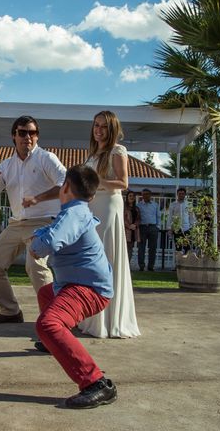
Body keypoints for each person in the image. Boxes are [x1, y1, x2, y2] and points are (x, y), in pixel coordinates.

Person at [30, 165, 117, 409]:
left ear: (65, 187)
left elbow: (51, 240)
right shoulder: (76, 211)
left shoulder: (74, 213)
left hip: (87, 288)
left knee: (48, 324)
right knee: (45, 293)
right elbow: (54, 231)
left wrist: (35, 246)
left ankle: (96, 383)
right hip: (80, 284)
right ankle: (55, 343)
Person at [0, 115, 66, 324]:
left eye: (32, 133)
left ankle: (54, 320)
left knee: (35, 266)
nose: (27, 136)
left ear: (37, 137)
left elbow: (66, 185)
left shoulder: (47, 158)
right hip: (16, 224)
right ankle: (10, 311)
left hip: (43, 223)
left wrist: (38, 198)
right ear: (14, 136)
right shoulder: (5, 166)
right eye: (22, 132)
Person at [78, 110, 140, 338]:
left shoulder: (117, 150)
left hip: (109, 207)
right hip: (92, 207)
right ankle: (91, 317)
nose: (98, 130)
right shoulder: (93, 154)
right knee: (92, 258)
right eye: (96, 125)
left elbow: (123, 182)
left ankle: (109, 320)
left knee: (105, 257)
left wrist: (93, 181)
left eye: (103, 126)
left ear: (112, 128)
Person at [137, 188, 160, 271]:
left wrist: (158, 227)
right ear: (142, 195)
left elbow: (158, 216)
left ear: (150, 195)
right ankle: (141, 266)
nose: (145, 196)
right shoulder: (138, 205)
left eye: (147, 194)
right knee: (141, 248)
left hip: (153, 227)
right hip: (142, 228)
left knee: (152, 248)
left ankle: (151, 266)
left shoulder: (155, 205)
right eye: (143, 194)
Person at [167, 187, 195, 253]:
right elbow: (170, 217)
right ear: (177, 194)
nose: (181, 195)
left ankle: (186, 262)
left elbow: (192, 217)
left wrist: (192, 227)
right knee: (178, 248)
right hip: (177, 229)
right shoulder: (173, 204)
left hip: (187, 228)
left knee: (187, 248)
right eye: (180, 193)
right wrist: (169, 228)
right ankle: (178, 262)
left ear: (185, 195)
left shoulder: (189, 204)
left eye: (183, 193)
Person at [123, 190, 140, 265]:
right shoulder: (124, 207)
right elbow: (123, 218)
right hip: (125, 231)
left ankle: (127, 265)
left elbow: (139, 219)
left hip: (133, 231)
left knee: (130, 249)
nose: (132, 197)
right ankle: (123, 265)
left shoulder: (136, 208)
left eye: (133, 196)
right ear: (127, 197)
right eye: (130, 196)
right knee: (124, 249)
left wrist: (135, 225)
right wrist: (129, 225)